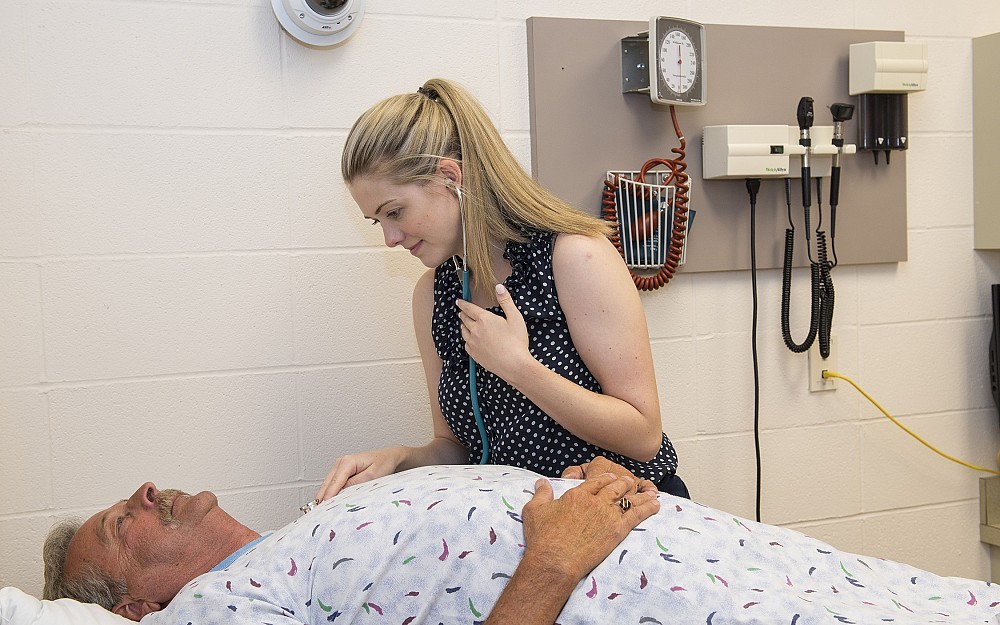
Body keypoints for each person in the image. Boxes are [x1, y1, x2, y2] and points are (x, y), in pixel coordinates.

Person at [41, 459, 999, 625]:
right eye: (117, 525)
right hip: (621, 585)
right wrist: (553, 553)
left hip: (687, 546)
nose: (139, 494)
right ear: (137, 606)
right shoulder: (217, 609)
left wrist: (583, 490)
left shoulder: (303, 533)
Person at [318, 77, 683, 502]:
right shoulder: (432, 297)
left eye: (395, 212)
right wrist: (400, 460)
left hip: (621, 512)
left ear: (449, 177)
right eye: (377, 222)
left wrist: (519, 368)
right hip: (521, 525)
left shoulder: (575, 258)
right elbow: (457, 448)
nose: (390, 238)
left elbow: (643, 436)